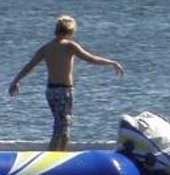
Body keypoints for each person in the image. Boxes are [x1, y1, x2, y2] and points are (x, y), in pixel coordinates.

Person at [7, 15, 123, 151]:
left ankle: (59, 155)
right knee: (62, 128)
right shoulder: (70, 45)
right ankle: (52, 158)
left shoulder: (46, 47)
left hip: (50, 91)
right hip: (63, 91)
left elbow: (29, 65)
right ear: (71, 31)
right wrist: (112, 62)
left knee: (62, 126)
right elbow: (91, 58)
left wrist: (15, 81)